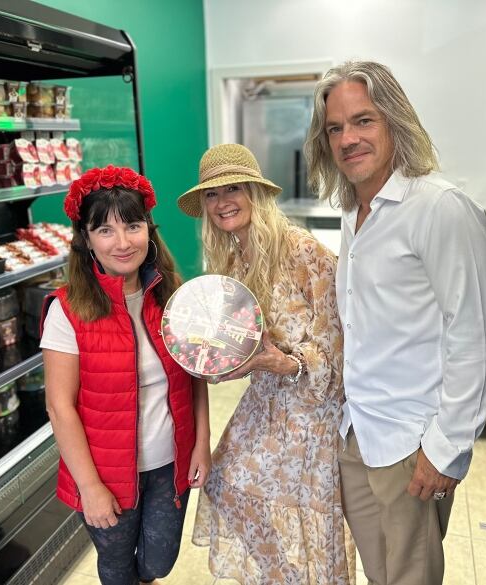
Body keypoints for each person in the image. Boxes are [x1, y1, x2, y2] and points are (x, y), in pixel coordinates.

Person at [304, 61, 486, 585]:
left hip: (412, 446)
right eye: (335, 128)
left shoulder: (439, 208)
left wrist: (446, 449)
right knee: (379, 575)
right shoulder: (356, 212)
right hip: (359, 434)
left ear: (394, 120)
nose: (349, 138)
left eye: (363, 121)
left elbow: (475, 337)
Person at [178, 143, 355, 584]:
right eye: (212, 195)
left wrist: (285, 363)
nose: (222, 203)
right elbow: (241, 341)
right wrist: (214, 360)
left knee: (308, 513)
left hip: (312, 408)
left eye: (233, 188)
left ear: (255, 192)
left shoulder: (302, 250)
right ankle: (284, 577)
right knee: (225, 483)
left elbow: (340, 347)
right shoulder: (234, 259)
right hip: (267, 399)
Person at [41, 164, 211, 585]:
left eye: (132, 226)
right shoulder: (67, 310)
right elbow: (60, 407)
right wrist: (90, 487)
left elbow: (196, 377)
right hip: (105, 473)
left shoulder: (172, 294)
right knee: (117, 569)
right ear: (85, 239)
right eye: (105, 231)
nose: (123, 242)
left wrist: (202, 444)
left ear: (149, 230)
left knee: (158, 563)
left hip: (170, 463)